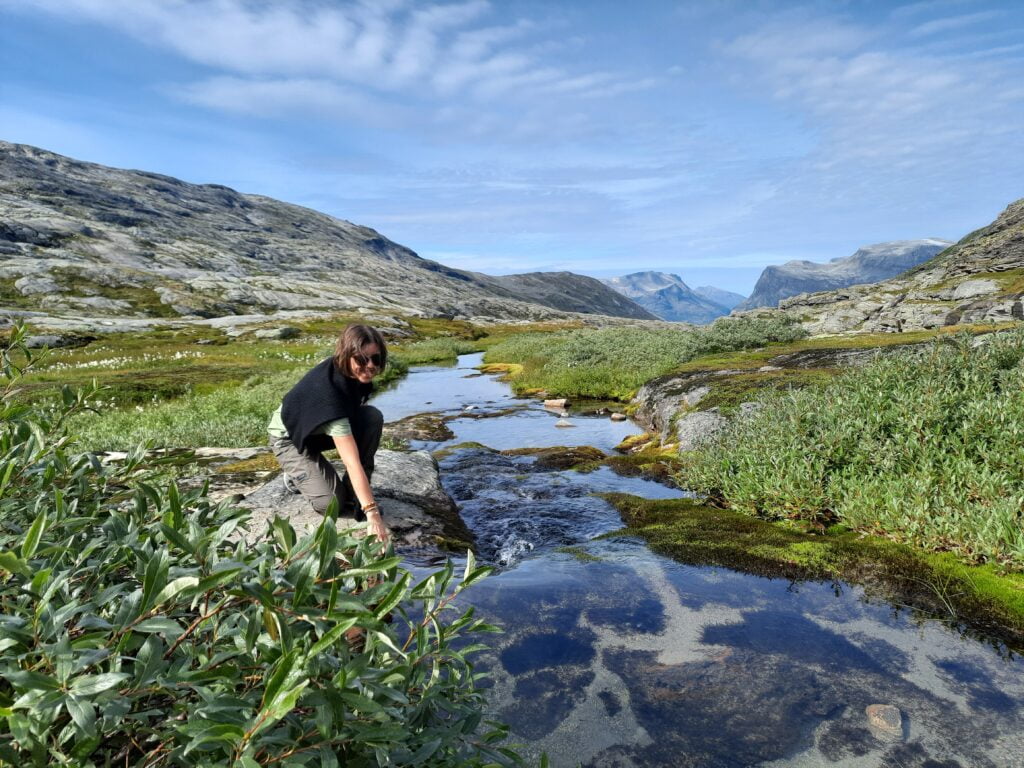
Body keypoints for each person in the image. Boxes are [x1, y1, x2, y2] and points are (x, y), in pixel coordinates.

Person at [268, 323, 389, 543]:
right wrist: (373, 514)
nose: (370, 366)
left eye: (376, 359)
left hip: (314, 430)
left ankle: (355, 496)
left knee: (372, 417)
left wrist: (364, 504)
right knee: (331, 505)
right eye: (362, 359)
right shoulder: (330, 396)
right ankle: (296, 475)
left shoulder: (356, 378)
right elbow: (351, 462)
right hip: (290, 440)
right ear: (346, 356)